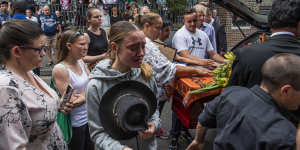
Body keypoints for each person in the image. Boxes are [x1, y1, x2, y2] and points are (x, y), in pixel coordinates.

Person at [187, 53, 300, 150]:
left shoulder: (230, 93)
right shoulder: (285, 134)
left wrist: (198, 140)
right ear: (286, 90)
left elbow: (204, 118)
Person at [87, 21, 160, 150]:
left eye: (143, 46)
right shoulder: (96, 85)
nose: (141, 53)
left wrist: (154, 124)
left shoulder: (146, 75)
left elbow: (154, 110)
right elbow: (97, 133)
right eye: (133, 48)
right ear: (114, 47)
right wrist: (120, 148)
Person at [0, 19, 67, 150]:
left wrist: (57, 105)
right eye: (39, 49)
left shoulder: (27, 70)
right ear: (17, 52)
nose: (44, 54)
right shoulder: (5, 88)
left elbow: (35, 107)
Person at [52, 30, 94, 150]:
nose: (86, 47)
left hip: (89, 119)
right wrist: (88, 94)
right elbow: (70, 102)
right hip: (75, 125)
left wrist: (83, 96)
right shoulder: (60, 69)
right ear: (69, 46)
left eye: (86, 44)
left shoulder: (80, 61)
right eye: (81, 44)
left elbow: (92, 84)